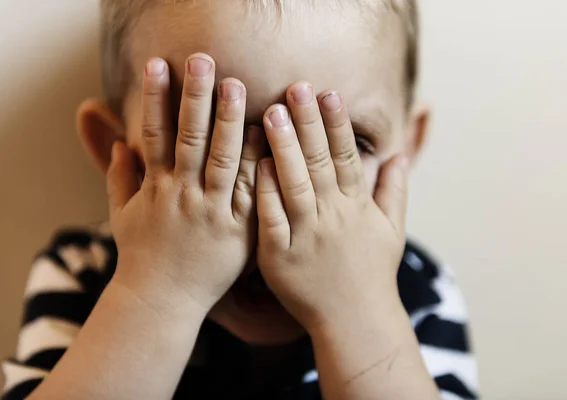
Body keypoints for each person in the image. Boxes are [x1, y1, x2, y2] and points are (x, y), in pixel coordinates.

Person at [2, 0, 478, 399]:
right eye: (207, 147)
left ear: (406, 146)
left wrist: (358, 312)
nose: (269, 202)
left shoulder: (418, 293)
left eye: (337, 148)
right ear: (116, 152)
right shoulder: (86, 274)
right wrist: (159, 293)